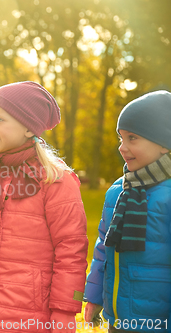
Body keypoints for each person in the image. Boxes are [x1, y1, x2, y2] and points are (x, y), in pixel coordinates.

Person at [0, 81, 88, 333]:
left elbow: (71, 248)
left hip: (29, 312)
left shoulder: (54, 179)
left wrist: (63, 310)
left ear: (29, 128)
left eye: (0, 120)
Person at [84, 91, 171, 333]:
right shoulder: (117, 191)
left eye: (133, 138)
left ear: (164, 143)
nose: (123, 148)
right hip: (118, 319)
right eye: (121, 138)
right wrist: (94, 296)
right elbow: (103, 248)